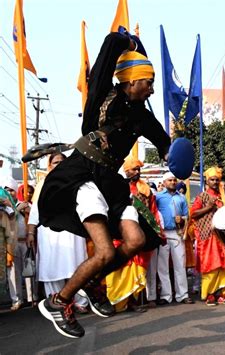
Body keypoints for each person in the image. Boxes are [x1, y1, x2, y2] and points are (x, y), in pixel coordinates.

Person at [37, 31, 170, 338]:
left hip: (112, 183)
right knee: (106, 253)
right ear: (132, 80)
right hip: (83, 176)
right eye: (148, 82)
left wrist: (174, 153)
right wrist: (132, 43)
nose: (151, 89)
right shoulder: (101, 94)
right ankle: (60, 301)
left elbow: (165, 144)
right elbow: (111, 44)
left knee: (135, 242)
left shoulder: (143, 117)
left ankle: (94, 285)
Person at [28, 153, 88, 314]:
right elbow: (35, 211)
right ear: (49, 166)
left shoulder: (77, 180)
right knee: (53, 268)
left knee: (77, 266)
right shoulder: (43, 184)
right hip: (49, 234)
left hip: (73, 231)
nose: (59, 164)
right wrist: (30, 231)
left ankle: (80, 301)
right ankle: (56, 303)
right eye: (55, 162)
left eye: (63, 162)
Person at [108, 155, 163, 312]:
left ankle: (132, 302)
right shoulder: (118, 187)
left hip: (141, 233)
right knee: (121, 268)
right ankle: (117, 302)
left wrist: (157, 231)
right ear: (126, 171)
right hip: (121, 233)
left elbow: (153, 212)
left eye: (138, 169)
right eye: (133, 169)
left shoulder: (146, 189)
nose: (137, 171)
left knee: (137, 268)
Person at [191, 167, 225, 306]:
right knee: (211, 265)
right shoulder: (202, 197)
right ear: (207, 181)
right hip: (208, 237)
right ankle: (209, 294)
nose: (215, 182)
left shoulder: (223, 197)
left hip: (222, 237)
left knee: (224, 265)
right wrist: (208, 207)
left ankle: (223, 294)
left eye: (217, 180)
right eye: (212, 180)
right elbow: (193, 214)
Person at [154, 172, 194, 305]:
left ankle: (182, 295)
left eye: (174, 180)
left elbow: (187, 216)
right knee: (163, 266)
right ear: (164, 183)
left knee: (180, 265)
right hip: (163, 233)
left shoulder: (182, 198)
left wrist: (181, 219)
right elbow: (154, 214)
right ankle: (166, 295)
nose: (172, 182)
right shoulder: (158, 197)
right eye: (169, 180)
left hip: (177, 233)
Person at [3, 177, 39, 310]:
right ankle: (16, 299)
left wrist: (27, 210)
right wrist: (17, 209)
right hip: (12, 243)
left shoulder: (29, 205)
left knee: (30, 269)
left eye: (12, 190)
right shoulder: (4, 206)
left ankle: (33, 297)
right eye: (7, 190)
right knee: (13, 272)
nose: (10, 193)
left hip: (27, 242)